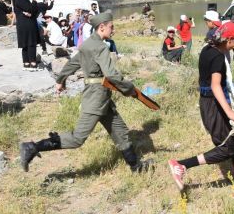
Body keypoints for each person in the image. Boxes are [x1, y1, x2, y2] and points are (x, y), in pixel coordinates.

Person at [19, 11, 152, 173]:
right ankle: (32, 147)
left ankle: (136, 166)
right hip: (96, 98)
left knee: (120, 130)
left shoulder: (87, 44)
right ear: (101, 27)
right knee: (77, 139)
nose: (113, 30)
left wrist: (60, 80)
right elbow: (111, 75)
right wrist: (129, 89)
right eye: (111, 27)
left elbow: (72, 64)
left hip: (101, 97)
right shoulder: (101, 47)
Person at [168, 21, 234, 198]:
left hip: (212, 102)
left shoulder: (208, 49)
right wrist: (230, 112)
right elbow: (216, 86)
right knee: (226, 148)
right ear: (229, 40)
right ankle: (182, 164)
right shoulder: (217, 57)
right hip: (213, 105)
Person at [13, 0, 39, 69]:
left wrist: (30, 13)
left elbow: (34, 11)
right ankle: (32, 62)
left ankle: (26, 62)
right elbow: (31, 9)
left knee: (26, 43)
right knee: (30, 42)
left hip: (25, 23)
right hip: (26, 24)